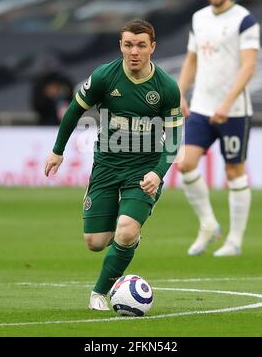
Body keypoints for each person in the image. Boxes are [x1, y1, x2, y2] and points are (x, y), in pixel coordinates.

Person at [45, 20, 183, 310]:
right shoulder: (104, 77)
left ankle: (99, 292)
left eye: (141, 45)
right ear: (121, 46)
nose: (134, 51)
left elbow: (173, 138)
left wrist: (158, 174)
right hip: (106, 166)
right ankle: (126, 240)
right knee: (95, 242)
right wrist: (58, 150)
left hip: (143, 171)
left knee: (126, 230)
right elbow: (74, 110)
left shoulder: (167, 88)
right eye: (129, 44)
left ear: (152, 48)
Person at [177, 0, 260, 257]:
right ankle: (209, 224)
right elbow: (191, 60)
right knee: (185, 164)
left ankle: (235, 241)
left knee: (234, 170)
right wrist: (181, 94)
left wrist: (226, 103)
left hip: (234, 110)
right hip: (201, 107)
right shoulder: (198, 19)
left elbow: (249, 65)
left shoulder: (245, 21)